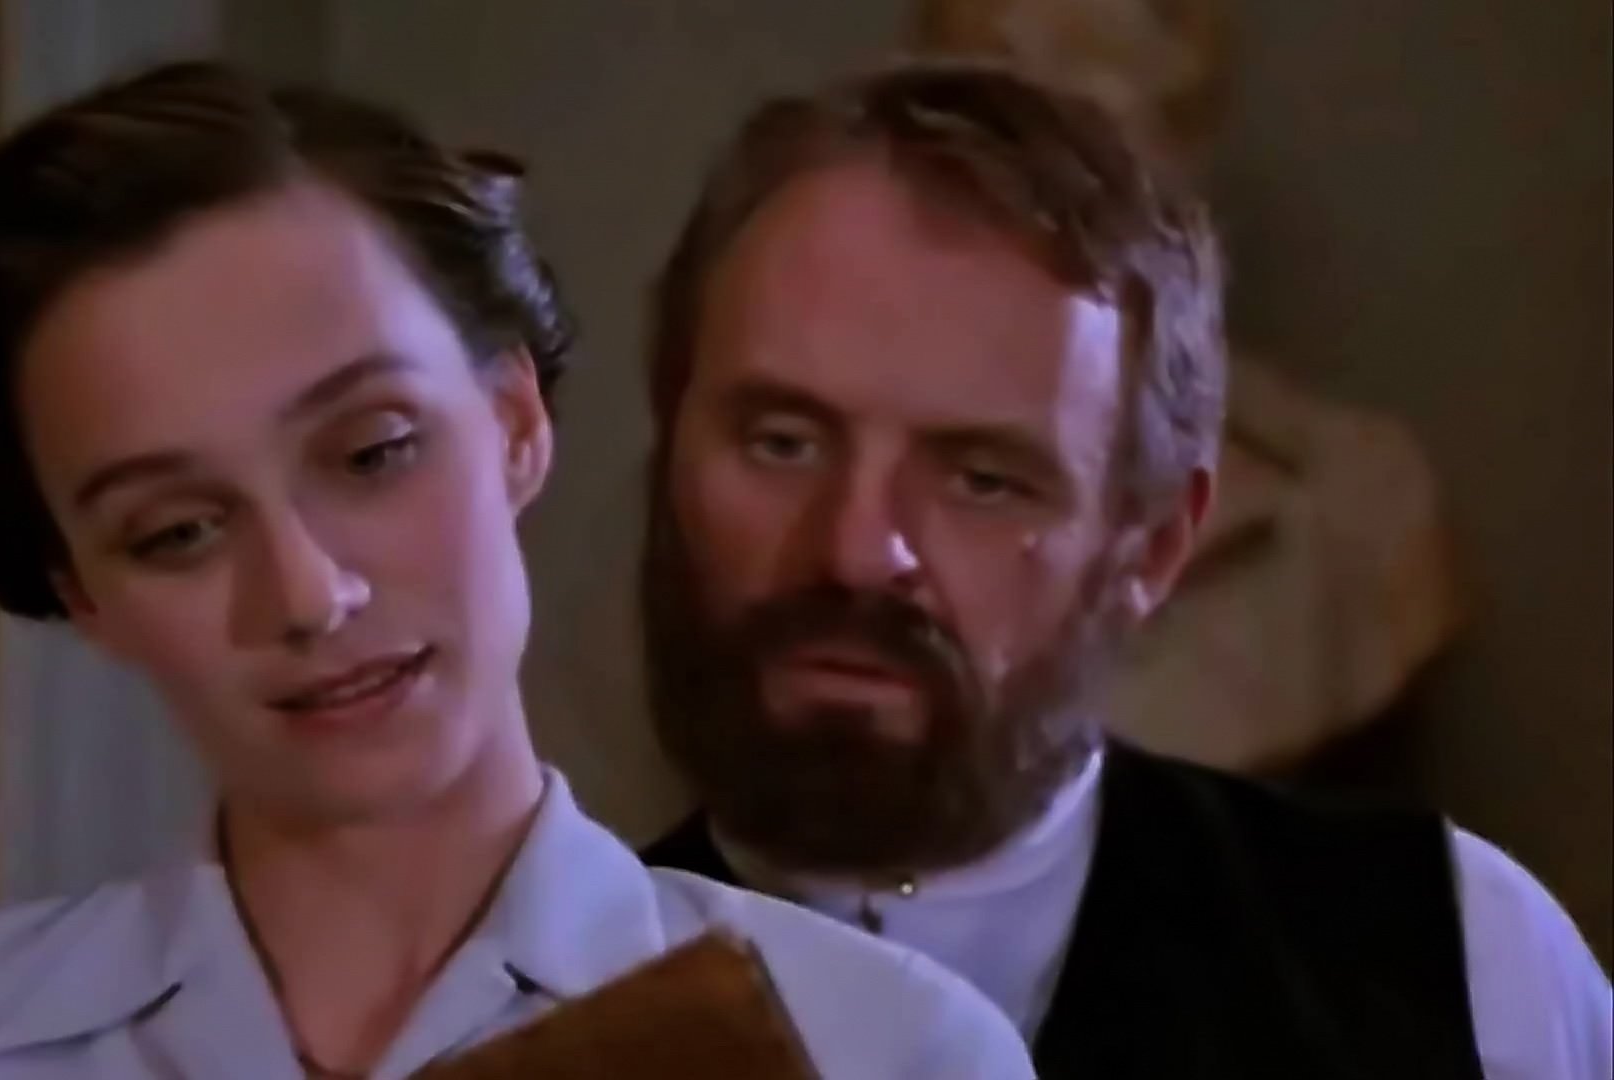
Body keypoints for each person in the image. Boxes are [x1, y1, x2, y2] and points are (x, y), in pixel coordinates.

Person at [0, 62, 1033, 1080]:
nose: (307, 594)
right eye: (176, 531)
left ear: (515, 422)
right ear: (82, 594)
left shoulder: (882, 1052)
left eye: (373, 453)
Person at [639, 59, 1612, 1079]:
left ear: (1152, 546)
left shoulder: (1464, 963)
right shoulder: (539, 1019)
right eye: (784, 443)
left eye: (981, 480)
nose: (855, 550)